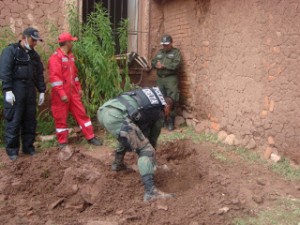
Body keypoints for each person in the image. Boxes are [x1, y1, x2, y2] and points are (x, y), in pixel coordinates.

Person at [97, 87, 175, 201]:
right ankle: (150, 192)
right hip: (117, 116)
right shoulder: (159, 110)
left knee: (129, 134)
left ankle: (117, 164)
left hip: (104, 111)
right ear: (167, 106)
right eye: (169, 112)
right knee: (145, 149)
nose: (167, 115)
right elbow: (153, 137)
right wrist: (150, 157)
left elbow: (137, 128)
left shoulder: (151, 97)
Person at [48, 32, 101, 160]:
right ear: (66, 43)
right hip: (61, 95)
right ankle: (62, 142)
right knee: (61, 118)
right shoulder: (55, 58)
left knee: (82, 113)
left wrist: (79, 88)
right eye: (71, 41)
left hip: (73, 93)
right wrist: (62, 94)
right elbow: (55, 79)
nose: (73, 43)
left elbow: (75, 75)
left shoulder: (70, 56)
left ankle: (90, 137)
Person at [0, 27, 46, 161]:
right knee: (14, 119)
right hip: (15, 90)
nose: (35, 43)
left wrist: (42, 90)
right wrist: (7, 90)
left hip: (30, 90)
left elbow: (39, 74)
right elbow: (4, 71)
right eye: (33, 40)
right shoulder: (11, 51)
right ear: (24, 38)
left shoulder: (34, 55)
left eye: (36, 41)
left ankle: (28, 147)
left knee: (30, 120)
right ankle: (12, 150)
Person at [151, 34, 182, 131]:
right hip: (160, 79)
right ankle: (164, 121)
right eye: (163, 45)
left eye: (166, 44)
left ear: (171, 43)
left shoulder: (176, 52)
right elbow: (153, 62)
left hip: (170, 79)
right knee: (161, 99)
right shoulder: (159, 52)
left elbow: (176, 64)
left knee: (172, 100)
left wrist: (164, 65)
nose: (164, 46)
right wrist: (156, 65)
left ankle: (171, 122)